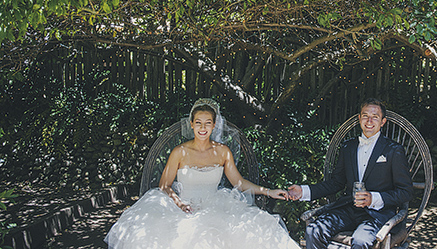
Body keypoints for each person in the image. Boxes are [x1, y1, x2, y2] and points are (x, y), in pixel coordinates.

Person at [105, 98, 300, 249]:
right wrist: (178, 202)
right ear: (191, 124)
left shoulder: (223, 152)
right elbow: (164, 185)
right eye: (198, 123)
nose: (203, 128)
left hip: (216, 206)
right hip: (182, 207)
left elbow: (239, 183)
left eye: (208, 123)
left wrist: (269, 191)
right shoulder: (179, 152)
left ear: (214, 125)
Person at [288, 98, 413, 249]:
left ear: (383, 122)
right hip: (348, 209)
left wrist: (374, 198)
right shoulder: (348, 147)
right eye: (365, 116)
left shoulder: (393, 150)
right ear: (359, 119)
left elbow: (405, 192)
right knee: (313, 230)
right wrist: (304, 191)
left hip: (377, 214)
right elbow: (336, 183)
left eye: (375, 117)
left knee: (360, 241)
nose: (369, 121)